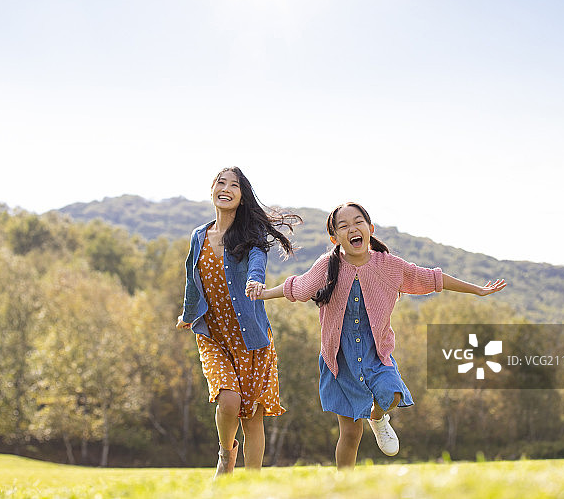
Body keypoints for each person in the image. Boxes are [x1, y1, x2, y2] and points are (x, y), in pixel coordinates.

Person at [253, 202, 506, 469]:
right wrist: (264, 293)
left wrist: (476, 290)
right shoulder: (328, 265)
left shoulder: (389, 266)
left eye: (358, 221)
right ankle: (344, 484)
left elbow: (432, 279)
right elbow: (299, 287)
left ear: (370, 229)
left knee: (393, 394)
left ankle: (377, 417)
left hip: (377, 356)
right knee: (350, 433)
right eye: (343, 225)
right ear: (334, 238)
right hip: (340, 361)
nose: (352, 228)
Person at [176, 167, 301, 477]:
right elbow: (193, 279)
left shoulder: (251, 236)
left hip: (252, 338)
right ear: (212, 190)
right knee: (228, 401)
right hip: (213, 334)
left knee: (252, 418)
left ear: (242, 197)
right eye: (221, 183)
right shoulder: (199, 236)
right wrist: (188, 314)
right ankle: (225, 455)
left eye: (234, 185)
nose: (227, 188)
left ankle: (252, 485)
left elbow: (258, 262)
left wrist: (255, 282)